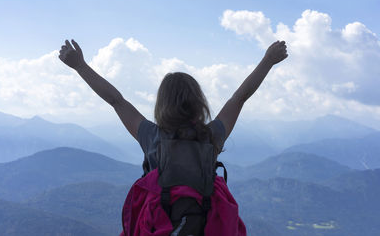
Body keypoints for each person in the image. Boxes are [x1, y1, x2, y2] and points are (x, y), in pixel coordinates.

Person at [58, 39, 288, 234]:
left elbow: (116, 101)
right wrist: (268, 60)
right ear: (199, 102)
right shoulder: (210, 137)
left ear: (162, 104)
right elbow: (239, 98)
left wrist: (80, 66)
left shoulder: (152, 137)